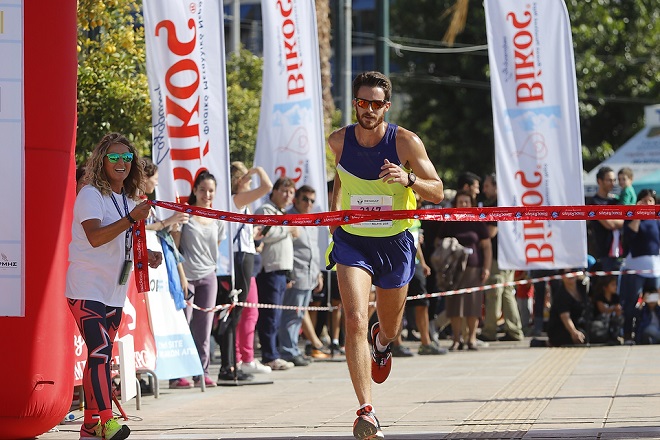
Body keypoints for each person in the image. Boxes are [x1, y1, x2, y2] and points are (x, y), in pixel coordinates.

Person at [327, 71, 444, 440]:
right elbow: (341, 179)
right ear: (355, 104)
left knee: (389, 327)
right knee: (355, 317)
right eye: (363, 102)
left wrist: (409, 180)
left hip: (395, 242)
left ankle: (383, 343)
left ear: (386, 107)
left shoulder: (406, 142)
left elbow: (438, 192)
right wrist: (334, 221)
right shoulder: (338, 140)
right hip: (353, 243)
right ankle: (366, 411)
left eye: (377, 104)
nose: (369, 109)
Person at [66, 132, 163, 440]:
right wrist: (131, 218)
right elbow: (95, 237)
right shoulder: (91, 194)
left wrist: (147, 256)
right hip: (86, 286)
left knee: (102, 357)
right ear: (102, 161)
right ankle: (106, 421)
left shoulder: (128, 198)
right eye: (114, 157)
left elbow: (122, 242)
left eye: (126, 158)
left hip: (114, 291)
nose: (121, 163)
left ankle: (90, 425)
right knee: (99, 351)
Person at [218, 162, 273, 381]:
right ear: (238, 180)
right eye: (247, 178)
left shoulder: (241, 204)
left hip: (246, 253)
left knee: (240, 311)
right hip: (239, 257)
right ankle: (230, 364)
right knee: (236, 311)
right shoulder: (235, 199)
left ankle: (234, 363)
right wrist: (258, 169)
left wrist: (254, 237)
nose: (250, 181)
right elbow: (267, 186)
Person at [172, 171, 226, 388]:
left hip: (208, 277)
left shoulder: (218, 219)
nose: (207, 194)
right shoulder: (185, 215)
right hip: (187, 277)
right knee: (183, 324)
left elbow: (216, 247)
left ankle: (202, 372)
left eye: (211, 190)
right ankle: (179, 374)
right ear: (194, 190)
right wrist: (182, 277)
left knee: (204, 328)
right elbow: (175, 248)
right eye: (202, 190)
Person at [437, 190, 492, 351]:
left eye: (466, 202)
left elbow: (487, 247)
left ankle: (472, 338)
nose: (463, 205)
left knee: (473, 306)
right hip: (454, 270)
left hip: (474, 268)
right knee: (454, 305)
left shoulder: (477, 221)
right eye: (460, 202)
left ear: (471, 203)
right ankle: (456, 339)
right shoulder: (450, 221)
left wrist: (487, 268)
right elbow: (438, 242)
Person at [255, 177, 298, 371]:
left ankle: (274, 352)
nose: (287, 195)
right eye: (284, 191)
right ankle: (269, 355)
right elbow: (262, 234)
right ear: (274, 191)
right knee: (270, 315)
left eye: (291, 192)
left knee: (276, 315)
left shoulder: (282, 213)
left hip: (281, 271)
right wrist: (287, 229)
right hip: (269, 270)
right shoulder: (266, 211)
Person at [279, 185, 324, 366]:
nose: (308, 203)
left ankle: (293, 348)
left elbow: (314, 249)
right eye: (305, 199)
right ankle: (288, 350)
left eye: (312, 200)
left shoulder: (311, 220)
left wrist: (318, 274)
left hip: (310, 274)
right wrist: (288, 275)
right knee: (291, 315)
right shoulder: (288, 218)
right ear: (296, 199)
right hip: (296, 274)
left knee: (299, 314)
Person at [478, 173, 525, 342]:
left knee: (494, 293)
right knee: (506, 293)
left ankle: (490, 331)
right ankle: (514, 330)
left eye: (487, 186)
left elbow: (490, 233)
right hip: (508, 254)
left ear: (497, 186)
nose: (484, 190)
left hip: (498, 257)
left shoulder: (498, 205)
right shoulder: (508, 202)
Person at [619, 189, 660, 344]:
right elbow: (629, 237)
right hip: (635, 267)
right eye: (644, 201)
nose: (648, 204)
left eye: (651, 201)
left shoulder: (657, 219)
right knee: (632, 303)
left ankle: (648, 330)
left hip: (654, 268)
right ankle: (628, 335)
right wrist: (637, 214)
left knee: (653, 301)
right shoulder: (631, 217)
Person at [586, 166, 624, 271]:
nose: (612, 183)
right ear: (600, 181)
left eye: (614, 180)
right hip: (603, 254)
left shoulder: (615, 201)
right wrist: (620, 221)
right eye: (609, 180)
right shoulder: (594, 203)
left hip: (620, 252)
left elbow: (626, 219)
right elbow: (609, 225)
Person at [545, 271, 589, 347]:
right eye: (567, 273)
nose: (570, 275)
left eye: (573, 271)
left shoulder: (582, 288)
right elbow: (565, 317)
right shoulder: (561, 294)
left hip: (579, 325)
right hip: (562, 329)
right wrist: (574, 332)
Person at [590, 275, 623, 344]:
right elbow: (603, 310)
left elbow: (618, 310)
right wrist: (613, 309)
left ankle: (614, 336)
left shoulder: (615, 297)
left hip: (611, 319)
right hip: (600, 320)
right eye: (612, 285)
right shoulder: (600, 297)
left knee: (620, 319)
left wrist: (618, 311)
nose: (615, 287)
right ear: (605, 287)